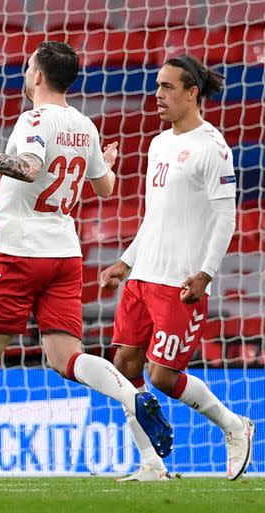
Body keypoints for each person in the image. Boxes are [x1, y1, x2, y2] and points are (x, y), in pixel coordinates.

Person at [0, 41, 172, 483]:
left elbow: (28, 169)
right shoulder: (84, 125)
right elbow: (105, 188)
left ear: (38, 77)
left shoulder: (35, 120)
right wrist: (106, 163)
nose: (26, 75)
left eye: (28, 68)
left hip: (19, 251)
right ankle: (129, 394)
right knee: (66, 356)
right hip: (64, 255)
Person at [99, 54, 254, 481]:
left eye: (167, 87)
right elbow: (155, 215)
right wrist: (127, 262)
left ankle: (233, 426)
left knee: (163, 375)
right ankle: (151, 464)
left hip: (180, 281)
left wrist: (206, 274)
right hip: (144, 276)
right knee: (125, 364)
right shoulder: (159, 143)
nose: (157, 95)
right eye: (156, 87)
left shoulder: (212, 147)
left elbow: (226, 217)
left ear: (192, 93)